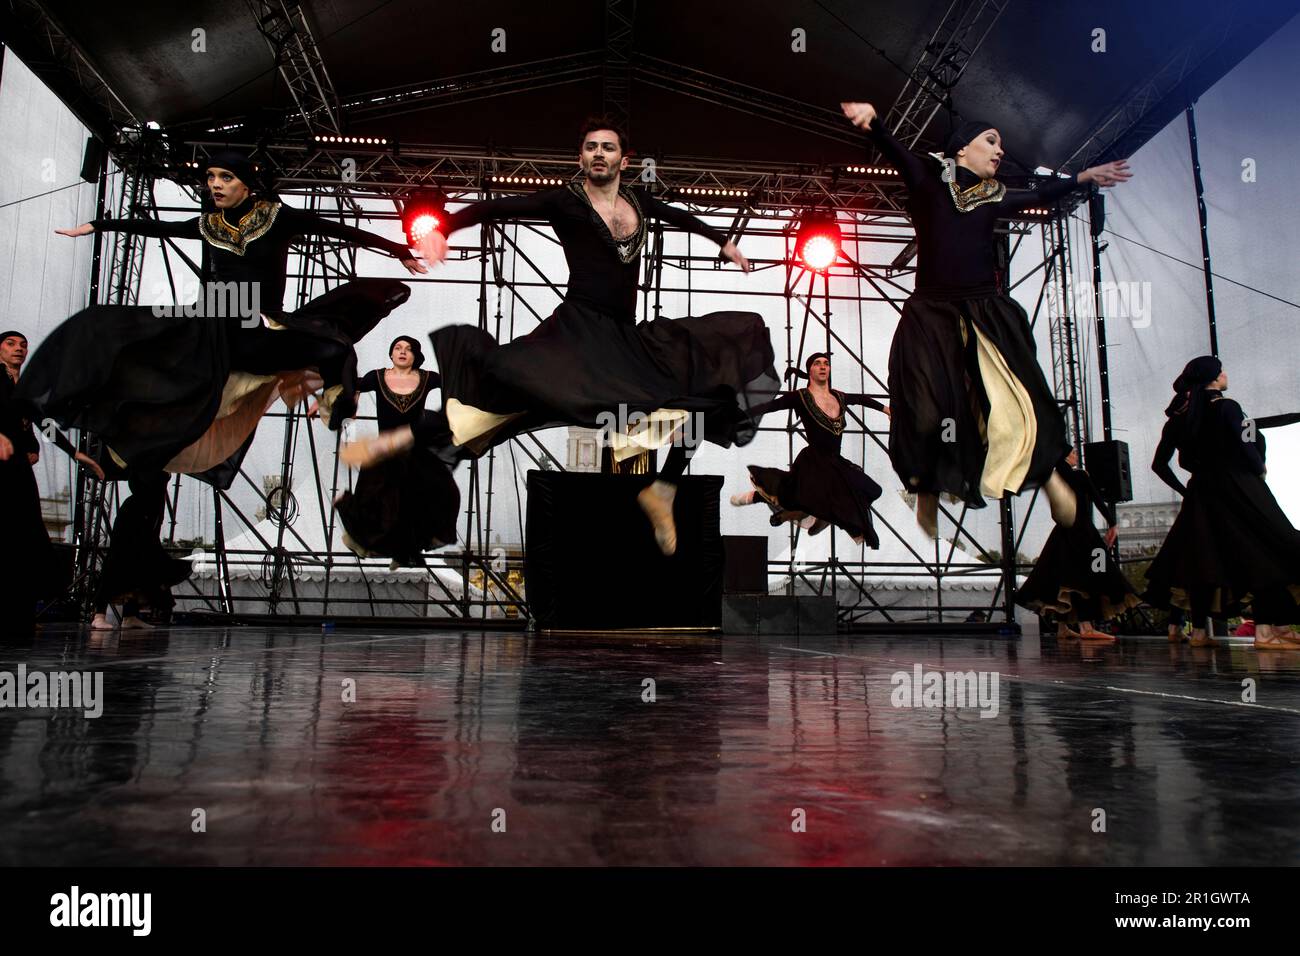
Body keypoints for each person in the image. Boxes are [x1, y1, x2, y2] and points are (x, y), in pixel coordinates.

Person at [346, 116, 779, 555]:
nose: (598, 154)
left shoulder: (639, 202)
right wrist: (444, 227)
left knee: (708, 390)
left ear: (623, 160)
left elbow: (681, 217)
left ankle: (663, 491)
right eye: (591, 147)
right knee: (511, 391)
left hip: (624, 339)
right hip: (577, 329)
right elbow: (497, 208)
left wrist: (723, 242)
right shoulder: (564, 201)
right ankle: (408, 439)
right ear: (580, 157)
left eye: (607, 148)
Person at [17, 150, 424, 490]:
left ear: (246, 185)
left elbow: (335, 229)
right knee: (132, 349)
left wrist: (396, 248)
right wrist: (99, 224)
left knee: (333, 344)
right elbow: (156, 227)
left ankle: (336, 402)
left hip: (258, 325)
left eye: (225, 177)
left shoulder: (276, 217)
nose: (214, 184)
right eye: (210, 177)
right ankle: (123, 450)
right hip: (213, 324)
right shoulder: (207, 224)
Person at [840, 101, 1132, 537]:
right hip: (931, 313)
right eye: (991, 141)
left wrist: (1083, 178)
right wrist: (873, 124)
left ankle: (1048, 470)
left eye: (1001, 146)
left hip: (982, 309)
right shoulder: (927, 183)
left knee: (1013, 395)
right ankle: (926, 488)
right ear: (961, 151)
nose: (999, 151)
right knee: (924, 406)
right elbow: (895, 150)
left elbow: (1039, 195)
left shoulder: (994, 197)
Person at [1144, 356, 1300, 649]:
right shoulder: (1228, 407)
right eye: (1221, 370)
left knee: (1207, 561)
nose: (1225, 373)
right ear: (1214, 379)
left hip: (1201, 495)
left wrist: (1184, 489)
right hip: (1238, 487)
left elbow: (1159, 465)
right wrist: (1259, 469)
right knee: (1267, 550)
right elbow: (1248, 442)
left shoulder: (1178, 420)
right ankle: (1267, 632)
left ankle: (1208, 633)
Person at [729, 353, 890, 547]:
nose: (823, 367)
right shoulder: (800, 397)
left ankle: (816, 517)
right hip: (814, 462)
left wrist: (887, 410)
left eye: (826, 363)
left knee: (873, 490)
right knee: (798, 496)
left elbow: (861, 399)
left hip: (835, 462)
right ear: (810, 370)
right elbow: (772, 405)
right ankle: (758, 499)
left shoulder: (840, 396)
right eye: (817, 363)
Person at [332, 336, 460, 565]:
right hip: (383, 450)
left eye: (409, 349)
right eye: (398, 348)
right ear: (391, 354)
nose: (403, 352)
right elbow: (350, 389)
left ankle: (405, 550)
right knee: (374, 501)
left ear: (416, 356)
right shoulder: (378, 377)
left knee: (418, 502)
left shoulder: (427, 378)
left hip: (414, 450)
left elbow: (454, 382)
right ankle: (385, 545)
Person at [1015, 449, 1139, 642]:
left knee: (1063, 578)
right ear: (1065, 456)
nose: (1076, 456)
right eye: (1073, 453)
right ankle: (1086, 627)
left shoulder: (1053, 477)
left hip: (1062, 533)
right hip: (1082, 532)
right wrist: (1112, 523)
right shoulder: (1080, 475)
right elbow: (1098, 499)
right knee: (1086, 577)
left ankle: (1063, 628)